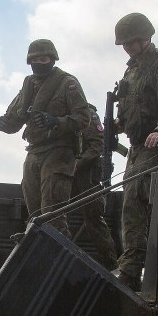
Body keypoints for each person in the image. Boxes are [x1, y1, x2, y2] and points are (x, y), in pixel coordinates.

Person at [110, 13, 158, 290]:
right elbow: (131, 105)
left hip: (156, 145)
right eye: (125, 44)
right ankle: (131, 266)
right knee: (129, 205)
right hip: (136, 146)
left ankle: (131, 270)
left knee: (135, 204)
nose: (128, 47)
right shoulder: (132, 70)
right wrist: (118, 124)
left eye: (132, 42)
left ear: (146, 38)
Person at [0, 39, 91, 237]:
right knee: (34, 213)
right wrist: (5, 123)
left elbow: (83, 118)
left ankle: (61, 260)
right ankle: (39, 251)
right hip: (34, 150)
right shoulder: (28, 86)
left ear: (52, 59)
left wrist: (55, 121)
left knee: (53, 214)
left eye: (44, 58)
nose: (40, 62)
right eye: (35, 59)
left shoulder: (67, 83)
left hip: (59, 150)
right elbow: (15, 118)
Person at [70, 103, 119, 269]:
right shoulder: (60, 113)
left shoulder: (88, 114)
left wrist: (77, 164)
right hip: (62, 171)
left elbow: (97, 145)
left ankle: (111, 263)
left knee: (94, 218)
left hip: (86, 174)